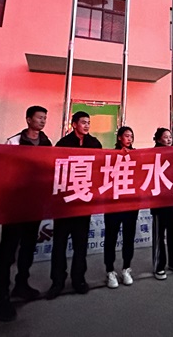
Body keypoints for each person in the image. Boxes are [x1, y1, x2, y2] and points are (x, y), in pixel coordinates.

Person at [0, 106, 53, 321]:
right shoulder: (14, 142)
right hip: (14, 205)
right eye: (39, 117)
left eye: (45, 118)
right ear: (28, 119)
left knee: (28, 247)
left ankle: (22, 284)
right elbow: (5, 171)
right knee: (8, 250)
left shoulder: (47, 143)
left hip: (34, 205)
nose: (43, 121)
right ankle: (2, 295)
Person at [47, 111, 102, 299]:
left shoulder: (94, 144)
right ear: (74, 124)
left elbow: (100, 167)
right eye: (83, 122)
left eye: (88, 122)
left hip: (83, 202)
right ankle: (57, 281)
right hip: (64, 203)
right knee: (59, 244)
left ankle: (79, 279)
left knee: (81, 244)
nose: (86, 126)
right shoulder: (63, 143)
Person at [104, 126, 140, 289]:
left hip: (131, 203)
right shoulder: (110, 155)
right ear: (119, 137)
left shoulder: (137, 155)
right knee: (110, 238)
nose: (129, 139)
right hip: (113, 203)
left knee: (128, 237)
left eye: (131, 136)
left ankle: (126, 268)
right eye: (126, 136)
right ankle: (110, 270)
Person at [150, 127, 173, 280]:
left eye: (170, 136)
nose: (169, 139)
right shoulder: (152, 154)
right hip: (160, 203)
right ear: (158, 139)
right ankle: (159, 264)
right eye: (165, 137)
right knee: (160, 235)